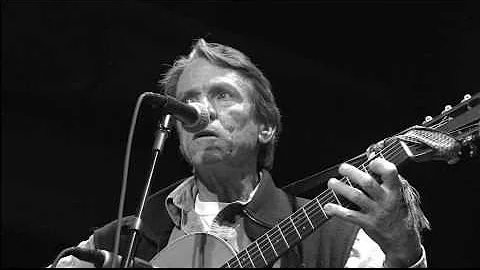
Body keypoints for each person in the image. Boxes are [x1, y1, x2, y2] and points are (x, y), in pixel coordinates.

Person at [51, 39, 430, 268]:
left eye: (222, 95)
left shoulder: (335, 236)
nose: (201, 111)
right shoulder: (121, 240)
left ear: (266, 127)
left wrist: (403, 250)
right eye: (187, 101)